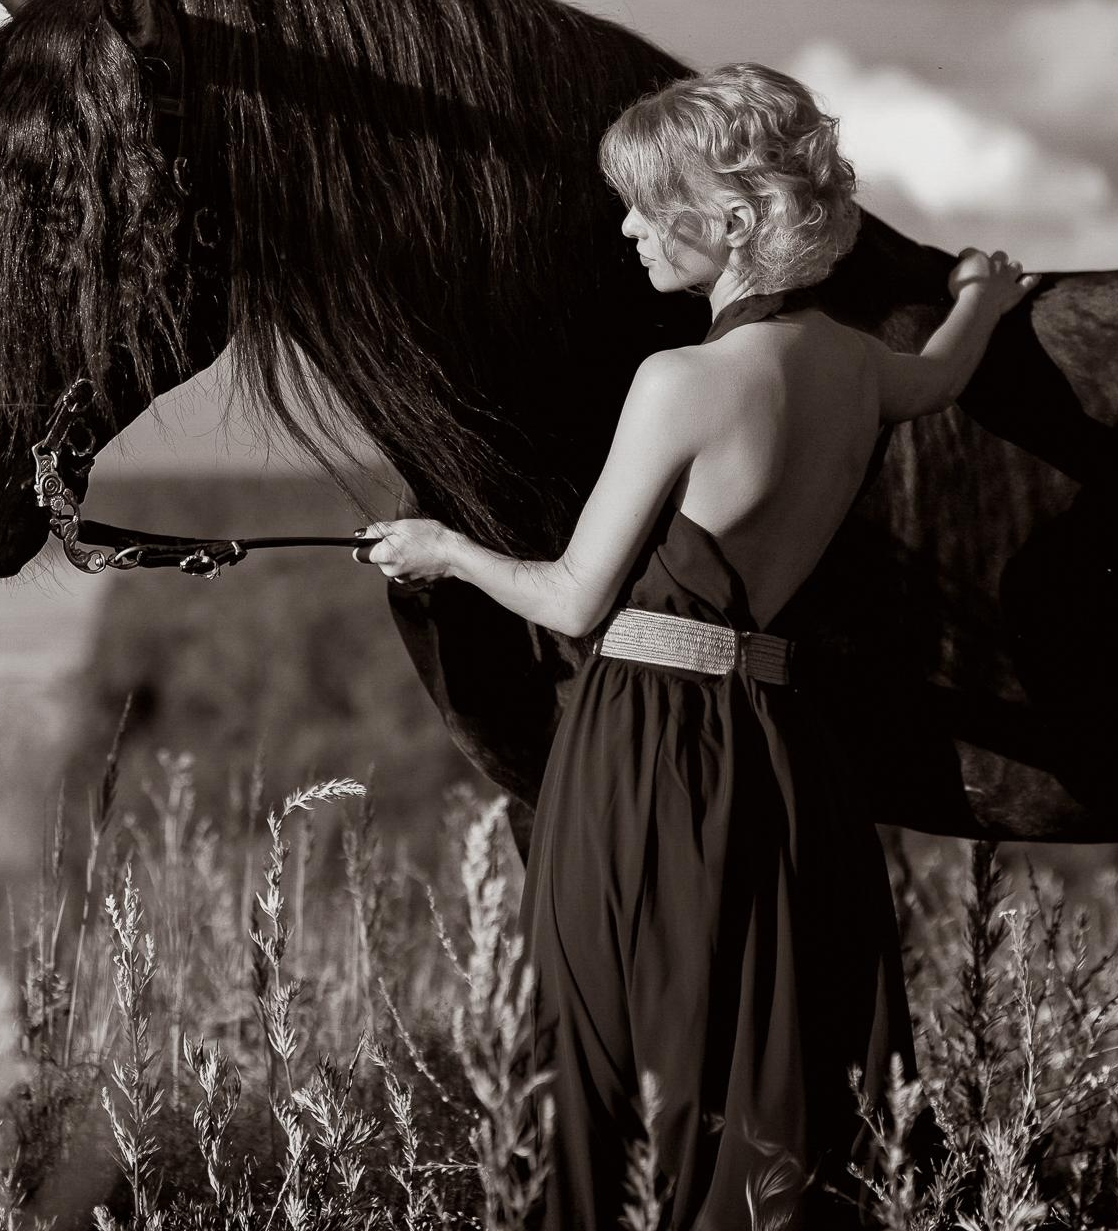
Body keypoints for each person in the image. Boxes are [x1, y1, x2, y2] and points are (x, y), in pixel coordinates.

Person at [355, 63, 1035, 1229]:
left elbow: (572, 600)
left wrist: (444, 551)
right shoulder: (860, 368)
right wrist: (983, 293)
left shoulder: (680, 382)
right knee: (758, 1060)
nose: (624, 228)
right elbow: (941, 376)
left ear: (727, 223)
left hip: (643, 750)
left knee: (606, 1065)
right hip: (779, 751)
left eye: (644, 204)